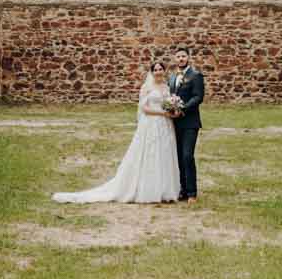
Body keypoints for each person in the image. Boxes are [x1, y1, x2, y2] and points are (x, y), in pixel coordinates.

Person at [52, 61, 180, 204]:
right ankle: (148, 190)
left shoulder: (166, 87)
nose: (158, 72)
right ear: (152, 72)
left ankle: (164, 189)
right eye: (155, 70)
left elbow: (167, 104)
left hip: (165, 125)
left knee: (163, 154)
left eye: (160, 69)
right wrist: (162, 113)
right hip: (151, 124)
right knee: (150, 154)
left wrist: (172, 110)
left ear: (164, 71)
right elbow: (144, 109)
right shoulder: (146, 87)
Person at [167, 46, 204, 202]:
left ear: (188, 58)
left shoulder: (196, 76)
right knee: (178, 157)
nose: (181, 59)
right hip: (174, 123)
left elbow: (198, 97)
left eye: (183, 56)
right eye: (178, 56)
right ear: (175, 59)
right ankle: (182, 189)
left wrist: (182, 108)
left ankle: (192, 193)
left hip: (190, 122)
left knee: (187, 156)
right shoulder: (172, 77)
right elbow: (169, 96)